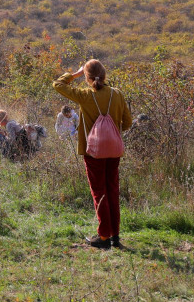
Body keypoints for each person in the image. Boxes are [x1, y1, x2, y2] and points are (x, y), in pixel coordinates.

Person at [53, 59, 132, 250]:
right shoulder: (118, 94)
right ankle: (115, 236)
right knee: (112, 190)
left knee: (99, 192)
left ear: (88, 78)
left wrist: (76, 74)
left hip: (92, 152)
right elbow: (127, 123)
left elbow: (58, 84)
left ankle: (103, 236)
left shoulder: (85, 96)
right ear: (104, 75)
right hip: (113, 151)